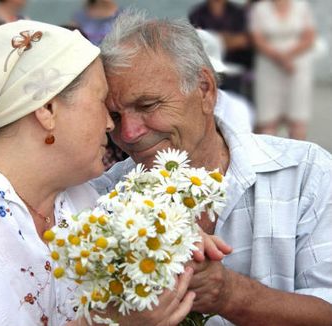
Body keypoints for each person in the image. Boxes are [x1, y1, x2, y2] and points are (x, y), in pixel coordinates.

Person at [0, 20, 202, 326]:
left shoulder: (81, 201)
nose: (111, 126)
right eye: (101, 103)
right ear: (47, 109)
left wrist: (173, 240)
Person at [91, 10, 332, 325]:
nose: (128, 133)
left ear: (205, 89)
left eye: (147, 105)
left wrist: (231, 295)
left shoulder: (304, 173)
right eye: (116, 117)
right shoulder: (104, 199)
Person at [250, 0, 316, 140]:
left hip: (297, 66)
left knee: (298, 119)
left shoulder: (301, 6)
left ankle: (298, 159)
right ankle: (269, 159)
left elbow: (309, 37)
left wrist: (287, 56)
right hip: (269, 66)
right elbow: (257, 39)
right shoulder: (259, 9)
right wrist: (280, 58)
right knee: (268, 119)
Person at [188, 0, 254, 99]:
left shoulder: (238, 12)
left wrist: (213, 38)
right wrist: (228, 39)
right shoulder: (197, 13)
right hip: (209, 71)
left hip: (235, 71)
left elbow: (244, 40)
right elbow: (198, 42)